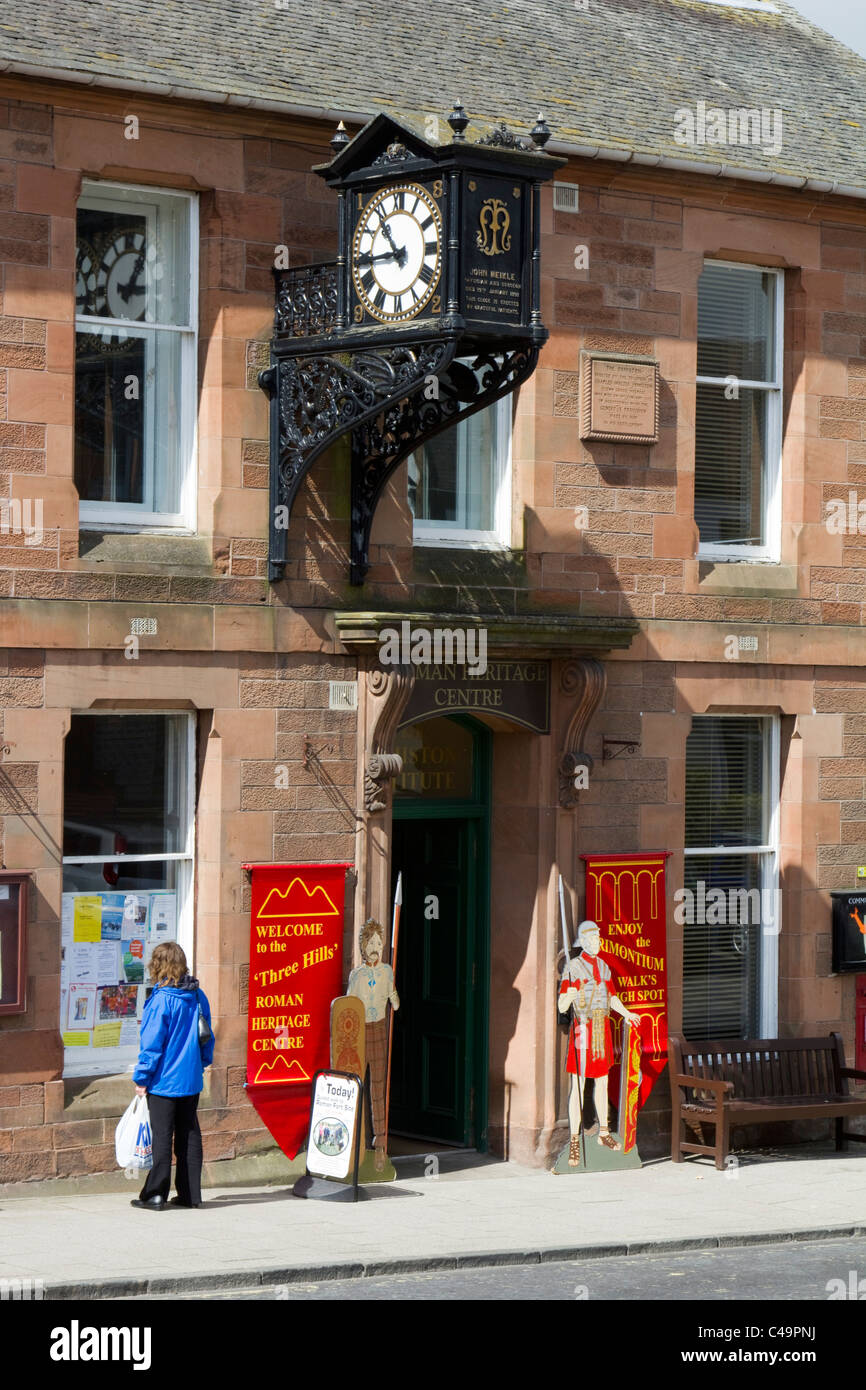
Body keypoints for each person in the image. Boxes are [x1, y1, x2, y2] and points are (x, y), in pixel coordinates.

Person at [130, 941, 214, 1210]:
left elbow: (152, 1045)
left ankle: (155, 1194)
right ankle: (191, 1195)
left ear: (158, 965)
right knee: (189, 1135)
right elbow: (207, 1037)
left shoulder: (161, 1000)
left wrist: (142, 1078)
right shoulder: (198, 996)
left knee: (162, 1138)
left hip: (164, 1082)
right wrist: (200, 1065)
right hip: (190, 1080)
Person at [558, 920, 640, 1164]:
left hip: (602, 1028)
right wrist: (569, 997)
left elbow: (611, 997)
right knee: (579, 1085)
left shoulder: (604, 967)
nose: (598, 943)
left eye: (599, 939)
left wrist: (627, 1013)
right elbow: (562, 1005)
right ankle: (574, 1140)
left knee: (602, 1081)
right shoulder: (573, 967)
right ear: (583, 941)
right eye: (593, 939)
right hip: (583, 1028)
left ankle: (604, 1132)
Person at [347, 918, 399, 1170]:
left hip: (378, 1027)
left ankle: (380, 1146)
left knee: (378, 1088)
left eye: (379, 942)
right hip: (359, 1031)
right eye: (371, 942)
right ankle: (356, 1145)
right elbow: (348, 1006)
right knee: (357, 1086)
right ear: (363, 946)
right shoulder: (356, 974)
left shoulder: (387, 971)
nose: (375, 947)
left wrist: (395, 998)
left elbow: (394, 998)